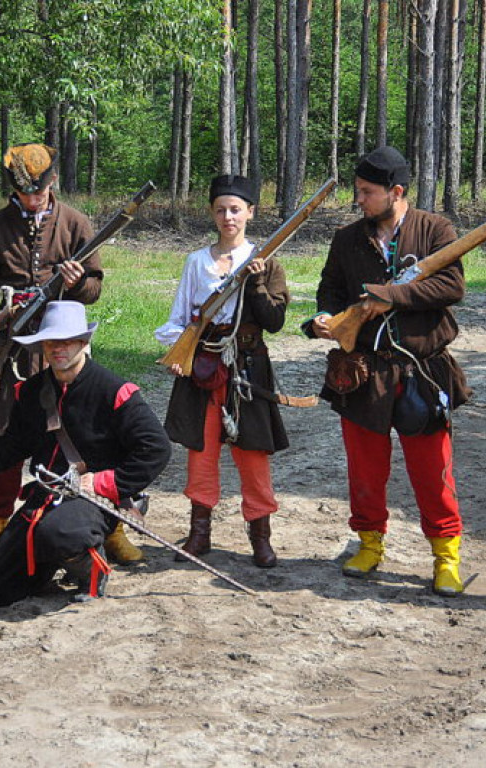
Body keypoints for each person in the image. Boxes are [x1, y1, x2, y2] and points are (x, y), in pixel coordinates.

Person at [304, 146, 471, 596]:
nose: (358, 199)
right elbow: (330, 288)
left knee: (433, 472)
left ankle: (446, 557)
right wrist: (324, 316)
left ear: (396, 192)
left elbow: (451, 286)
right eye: (358, 190)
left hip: (422, 371)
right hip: (363, 371)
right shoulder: (347, 238)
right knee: (365, 470)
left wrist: (390, 296)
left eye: (367, 191)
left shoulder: (436, 229)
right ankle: (369, 544)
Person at [0, 142, 133, 566]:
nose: (32, 198)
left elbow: (93, 290)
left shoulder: (75, 222)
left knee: (87, 436)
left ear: (53, 180)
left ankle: (112, 526)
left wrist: (75, 282)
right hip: (10, 351)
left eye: (38, 190)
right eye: (24, 192)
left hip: (64, 345)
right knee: (2, 435)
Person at [0, 301, 171, 606]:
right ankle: (53, 561)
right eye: (51, 341)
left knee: (60, 532)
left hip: (95, 499)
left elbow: (156, 448)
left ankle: (91, 570)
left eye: (67, 340)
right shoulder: (31, 391)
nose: (58, 348)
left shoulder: (113, 390)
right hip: (46, 496)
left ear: (83, 342)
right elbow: (11, 447)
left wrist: (104, 482)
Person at [155, 174, 288, 568]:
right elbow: (179, 320)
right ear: (213, 214)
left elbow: (274, 321)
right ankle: (199, 533)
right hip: (204, 366)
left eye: (235, 209)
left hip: (249, 368)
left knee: (253, 454)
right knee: (201, 451)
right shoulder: (196, 262)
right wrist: (181, 355)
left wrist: (257, 281)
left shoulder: (267, 262)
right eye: (220, 210)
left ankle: (261, 535)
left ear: (250, 212)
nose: (228, 217)